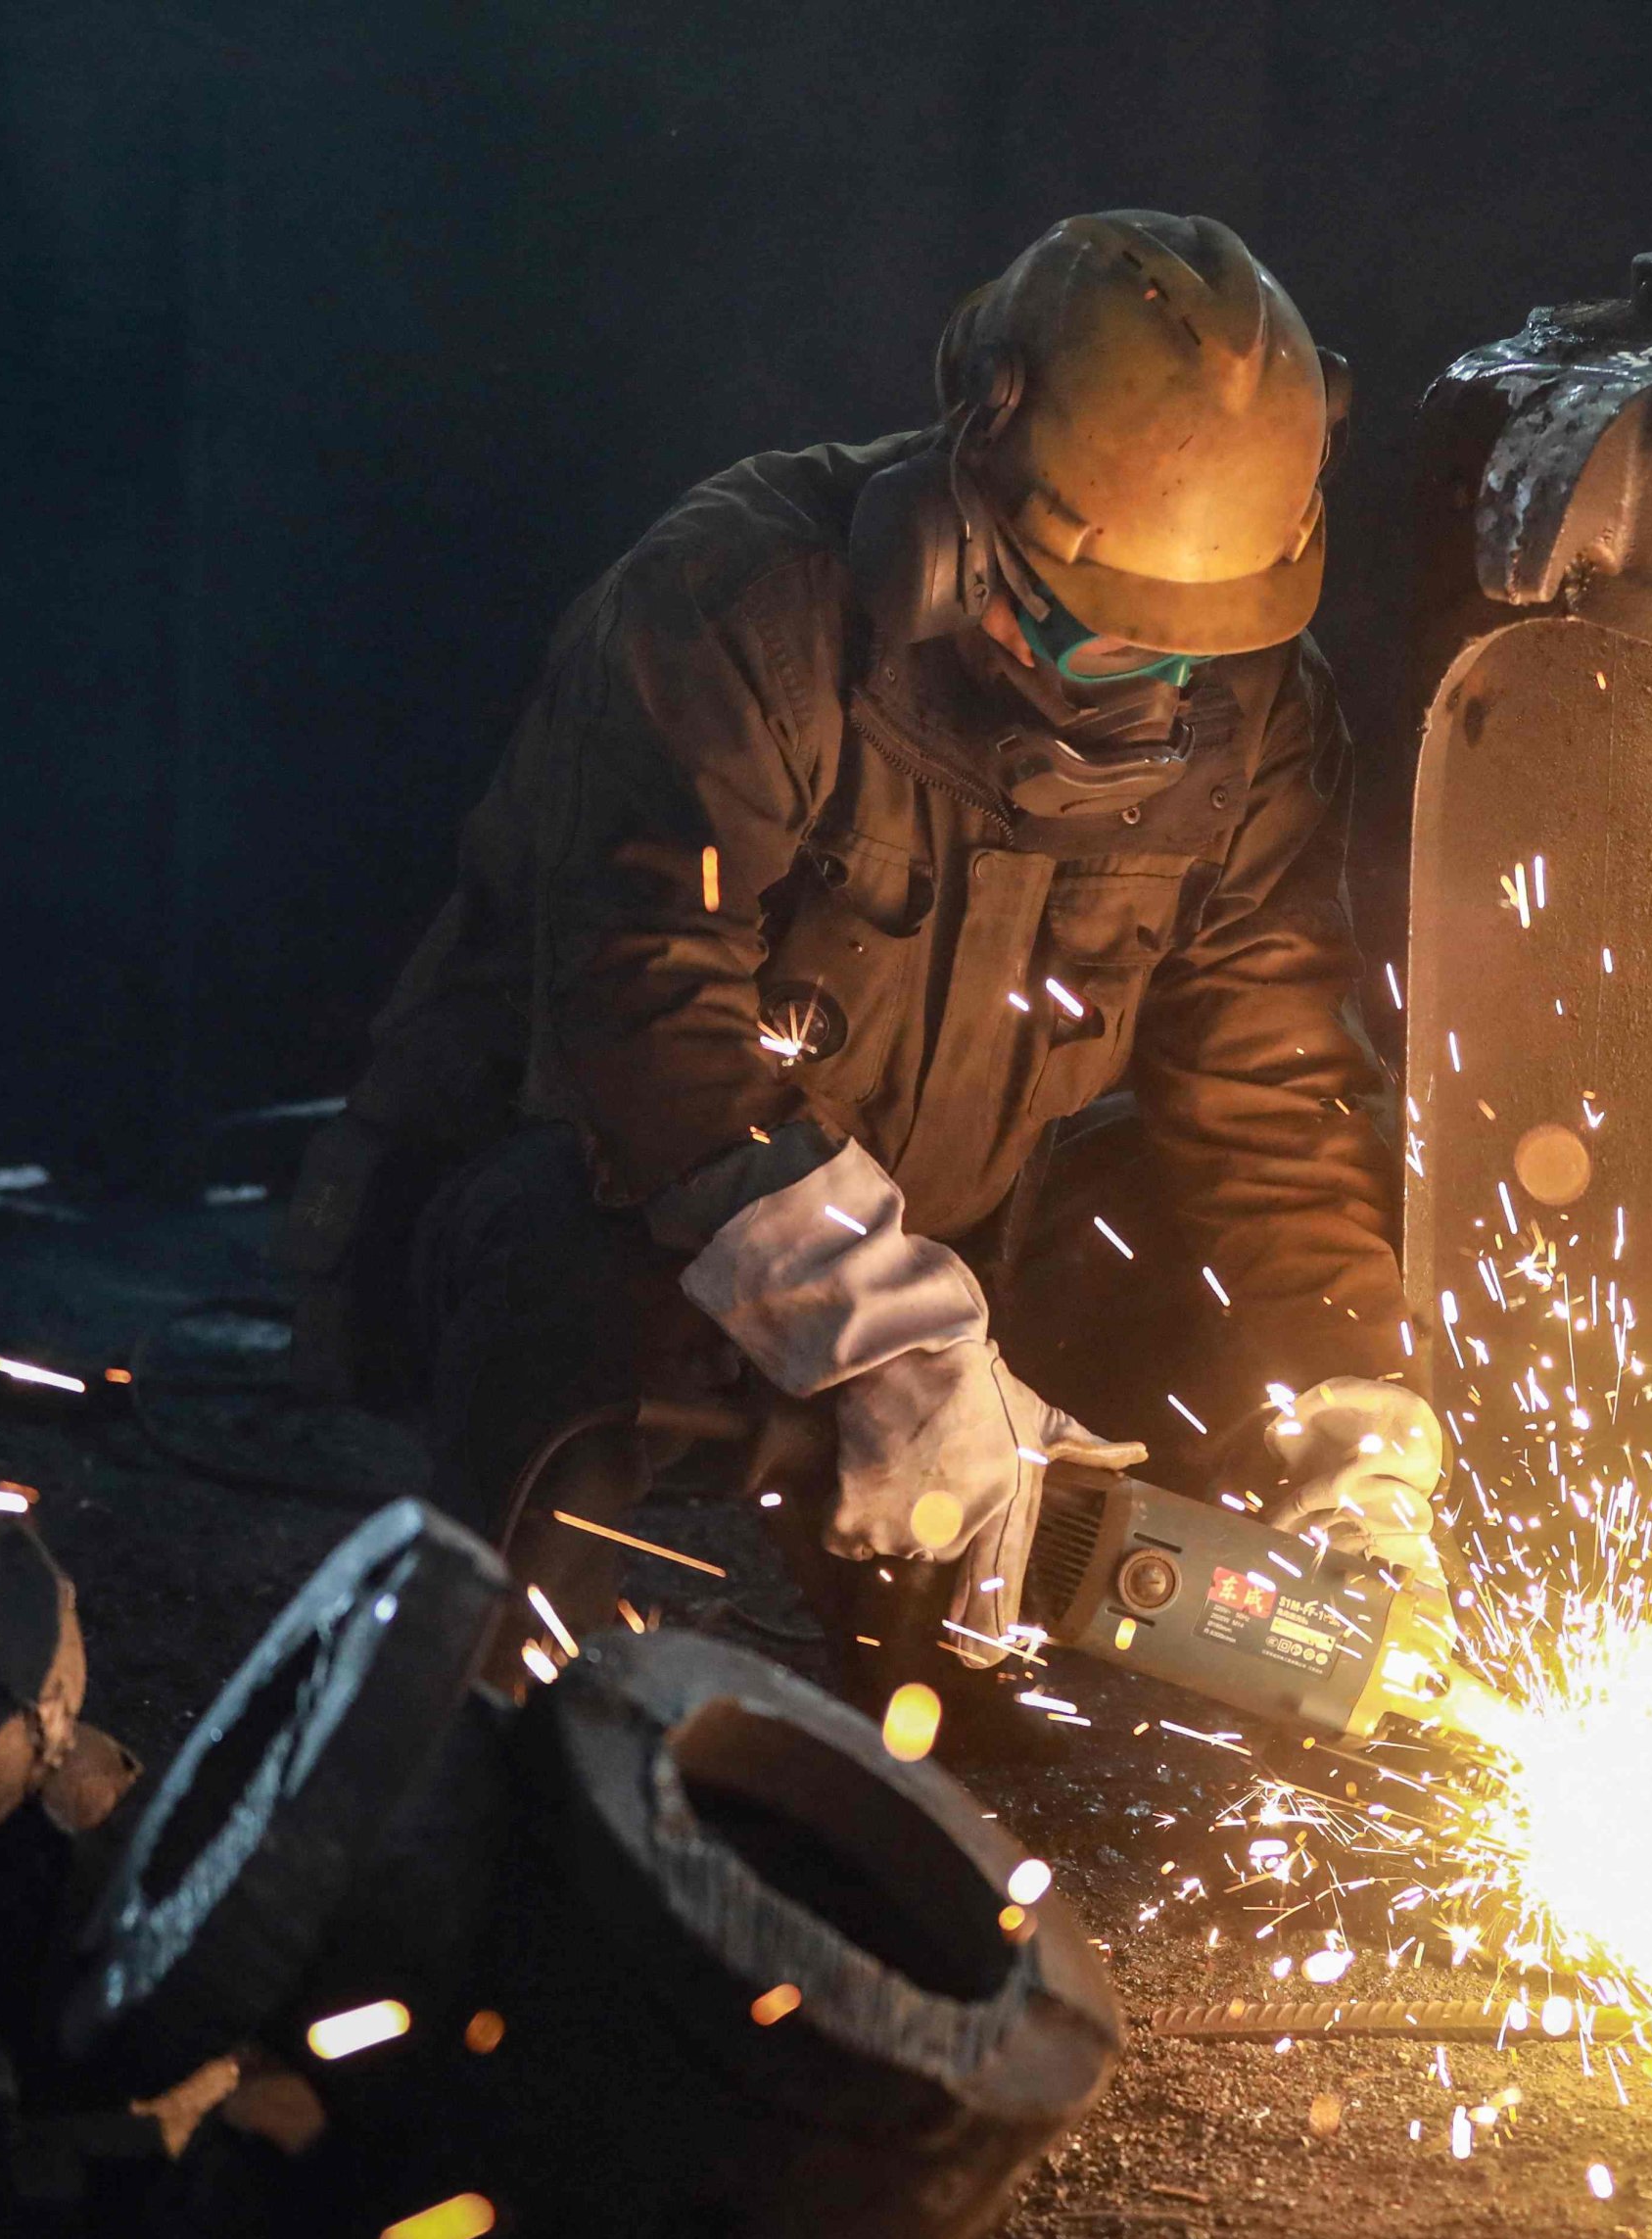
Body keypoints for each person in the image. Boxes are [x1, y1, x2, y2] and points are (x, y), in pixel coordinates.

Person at [281, 212, 1446, 1711]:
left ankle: (1035, 1730)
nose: (1146, 695)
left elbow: (1272, 1094)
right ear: (966, 504)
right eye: (1097, 639)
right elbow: (649, 1025)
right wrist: (888, 1334)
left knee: (1161, 1260)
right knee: (553, 1258)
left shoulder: (1259, 724)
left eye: (1189, 652)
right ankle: (470, 1731)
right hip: (635, 1213)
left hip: (953, 1269)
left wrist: (1352, 1423)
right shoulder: (737, 611)